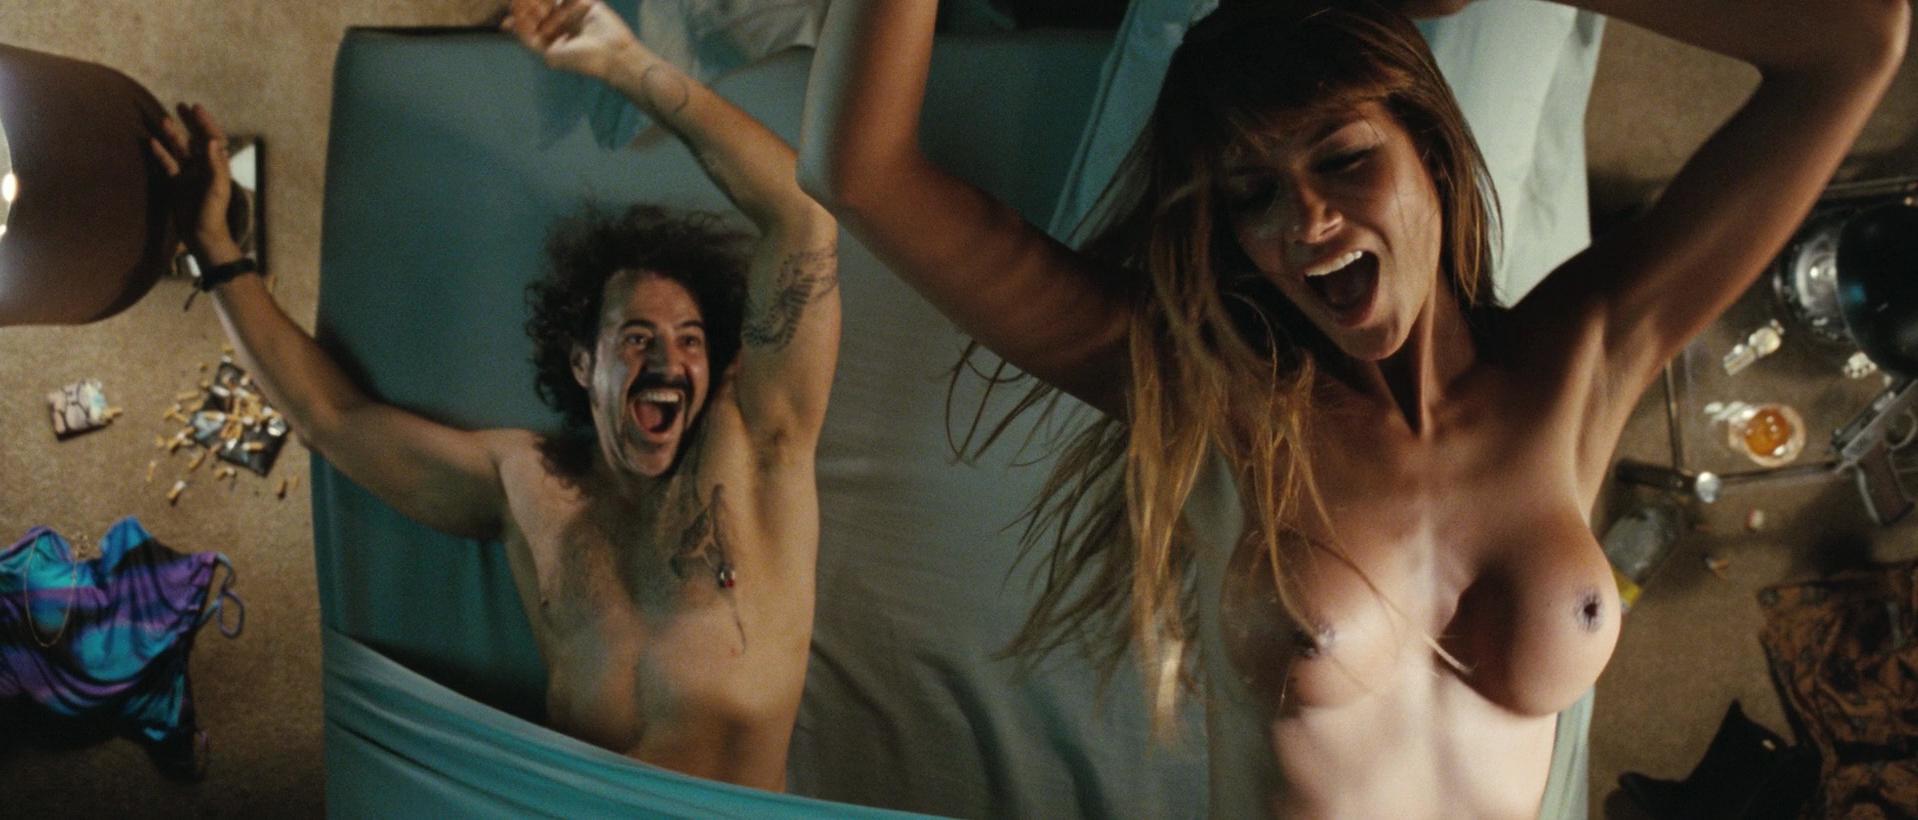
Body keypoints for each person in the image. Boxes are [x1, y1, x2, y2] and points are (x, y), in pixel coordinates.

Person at [800, 0, 1907, 815]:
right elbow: (857, 172)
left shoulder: (1579, 359)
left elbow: (1856, 44)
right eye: (1253, 196)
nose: (1307, 220)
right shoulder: (1213, 397)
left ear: (1432, 154)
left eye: (1342, 160)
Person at [150, 0, 839, 791]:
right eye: (637, 337)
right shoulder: (528, 484)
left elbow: (804, 217)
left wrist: (624, 64)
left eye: (690, 340)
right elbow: (329, 417)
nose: (668, 358)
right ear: (583, 364)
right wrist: (213, 249)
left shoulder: (757, 443)